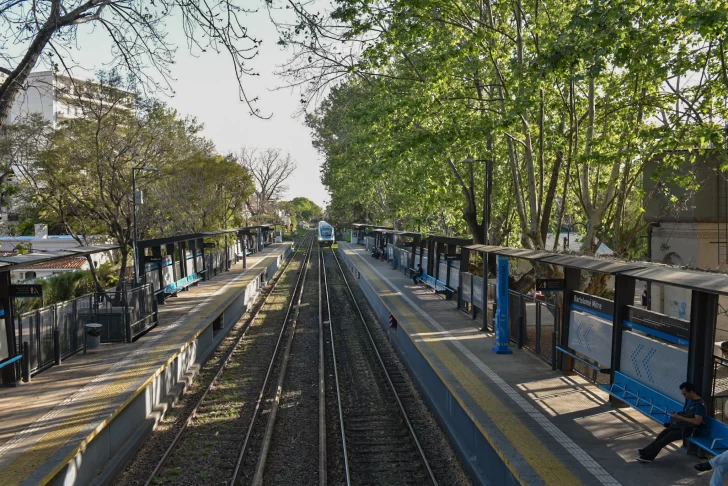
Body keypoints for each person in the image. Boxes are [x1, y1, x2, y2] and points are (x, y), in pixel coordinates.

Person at [636, 382, 706, 463]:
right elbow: (686, 414)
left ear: (692, 392)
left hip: (689, 429)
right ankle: (645, 451)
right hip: (681, 426)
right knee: (662, 435)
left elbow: (697, 422)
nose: (684, 395)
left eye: (685, 393)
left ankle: (648, 457)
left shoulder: (699, 405)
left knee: (666, 438)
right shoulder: (689, 400)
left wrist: (679, 417)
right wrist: (676, 415)